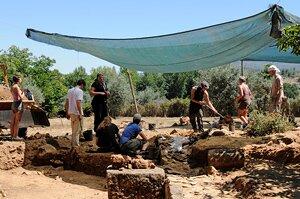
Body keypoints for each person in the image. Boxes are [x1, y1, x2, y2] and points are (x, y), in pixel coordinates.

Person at [65, 79, 86, 148]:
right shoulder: (80, 91)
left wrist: (67, 112)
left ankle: (73, 145)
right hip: (77, 113)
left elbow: (67, 102)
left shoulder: (69, 90)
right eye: (83, 86)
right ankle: (76, 147)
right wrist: (80, 113)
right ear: (82, 85)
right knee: (77, 131)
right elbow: (78, 103)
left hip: (71, 112)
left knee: (73, 130)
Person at [10, 76, 25, 140]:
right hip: (18, 104)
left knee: (13, 121)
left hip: (14, 103)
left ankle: (12, 136)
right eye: (20, 79)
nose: (21, 80)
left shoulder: (12, 86)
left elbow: (16, 96)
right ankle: (15, 136)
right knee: (17, 122)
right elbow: (21, 98)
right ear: (18, 80)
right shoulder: (17, 87)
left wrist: (22, 91)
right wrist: (24, 92)